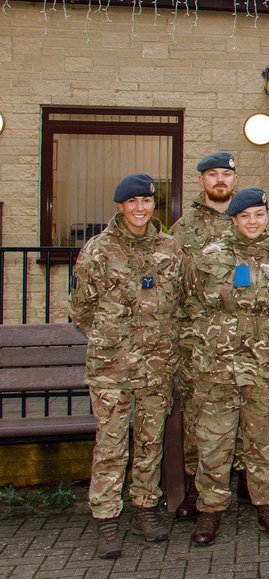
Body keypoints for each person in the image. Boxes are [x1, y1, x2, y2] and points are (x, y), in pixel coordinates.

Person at [183, 188, 269, 545]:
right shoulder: (210, 258)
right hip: (217, 368)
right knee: (214, 443)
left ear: (267, 217)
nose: (253, 222)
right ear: (233, 220)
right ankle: (209, 512)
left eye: (259, 215)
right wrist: (211, 335)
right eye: (245, 216)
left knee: (262, 442)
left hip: (263, 369)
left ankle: (267, 505)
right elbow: (188, 301)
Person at [70, 173, 183, 559]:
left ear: (155, 205)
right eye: (132, 202)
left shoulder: (170, 248)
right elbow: (81, 309)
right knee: (111, 444)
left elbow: (181, 301)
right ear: (120, 206)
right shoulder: (98, 251)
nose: (140, 208)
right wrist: (115, 337)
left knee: (150, 442)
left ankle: (145, 510)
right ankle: (106, 520)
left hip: (157, 364)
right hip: (112, 367)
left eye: (147, 201)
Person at [169, 150, 242, 520]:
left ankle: (246, 479)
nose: (219, 181)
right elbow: (174, 285)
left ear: (234, 180)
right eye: (212, 174)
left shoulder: (247, 219)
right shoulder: (184, 229)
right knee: (198, 417)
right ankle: (194, 490)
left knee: (249, 412)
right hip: (200, 341)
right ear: (201, 181)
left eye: (225, 175)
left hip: (244, 340)